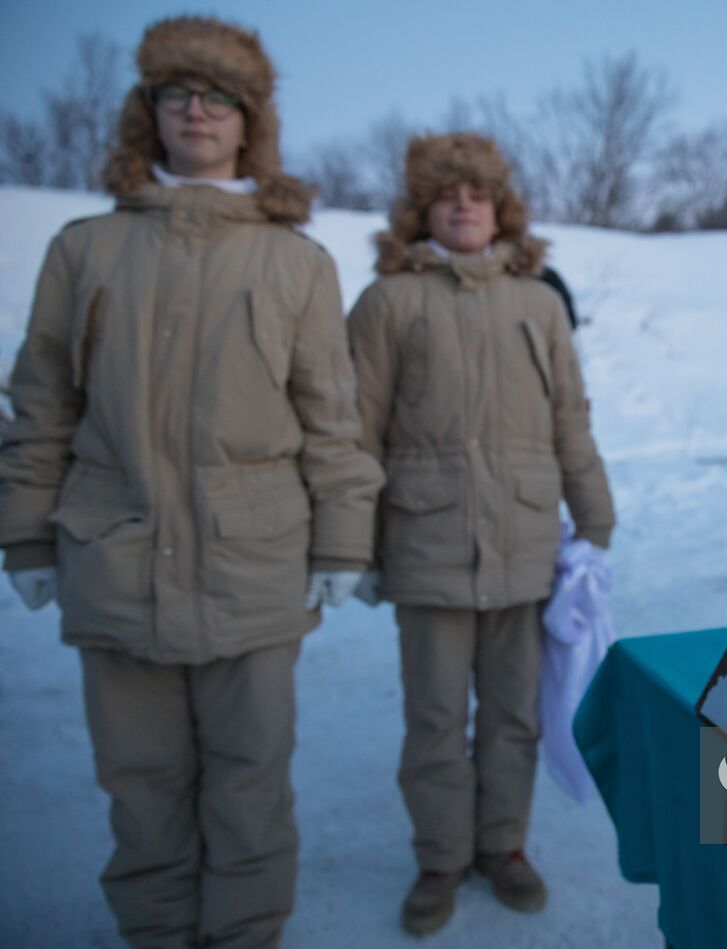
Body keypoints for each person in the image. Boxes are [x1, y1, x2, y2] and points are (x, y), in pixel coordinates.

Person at [0, 16, 383, 947]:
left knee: (250, 783)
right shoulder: (84, 248)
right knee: (140, 784)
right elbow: (41, 403)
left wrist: (342, 539)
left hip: (251, 569)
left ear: (251, 122)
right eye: (178, 93)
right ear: (151, 113)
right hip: (112, 559)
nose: (198, 110)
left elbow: (335, 417)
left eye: (220, 97)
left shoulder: (298, 261)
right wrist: (23, 532)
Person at [346, 132, 615, 935]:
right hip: (425, 546)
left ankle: (503, 846)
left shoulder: (538, 301)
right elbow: (353, 429)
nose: (464, 205)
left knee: (513, 714)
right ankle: (438, 855)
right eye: (446, 193)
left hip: (526, 544)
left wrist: (594, 513)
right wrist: (353, 542)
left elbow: (571, 415)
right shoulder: (387, 299)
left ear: (502, 210)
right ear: (420, 208)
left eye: (479, 193)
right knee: (434, 717)